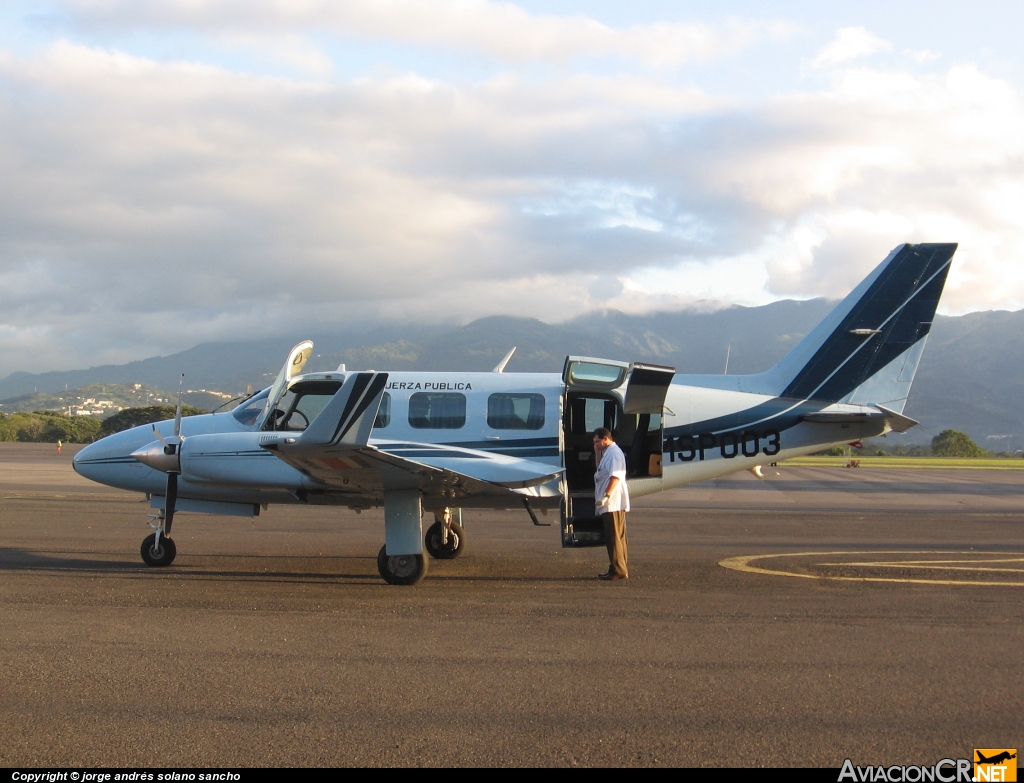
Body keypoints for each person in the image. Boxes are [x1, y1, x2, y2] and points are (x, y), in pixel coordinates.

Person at [593, 427, 629, 580]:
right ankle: (618, 567)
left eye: (597, 441)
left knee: (613, 537)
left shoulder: (614, 454)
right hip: (611, 503)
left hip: (612, 502)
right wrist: (597, 453)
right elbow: (600, 468)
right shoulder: (608, 453)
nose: (595, 444)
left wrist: (607, 496)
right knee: (616, 537)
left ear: (605, 438)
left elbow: (615, 477)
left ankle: (618, 570)